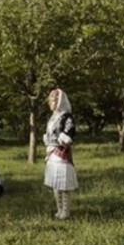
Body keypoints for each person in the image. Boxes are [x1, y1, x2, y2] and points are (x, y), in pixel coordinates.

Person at [44, 88, 77, 219]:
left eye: (52, 100)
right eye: (50, 100)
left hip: (61, 153)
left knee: (64, 184)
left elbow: (70, 133)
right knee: (55, 184)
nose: (50, 103)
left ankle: (66, 211)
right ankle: (59, 209)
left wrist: (62, 140)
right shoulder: (53, 117)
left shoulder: (66, 116)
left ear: (59, 101)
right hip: (51, 154)